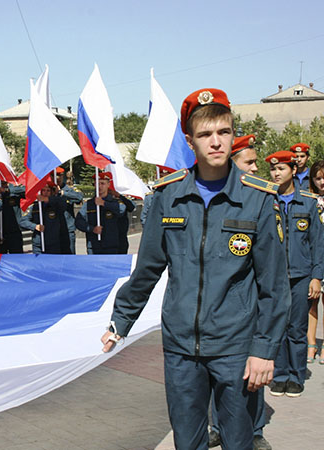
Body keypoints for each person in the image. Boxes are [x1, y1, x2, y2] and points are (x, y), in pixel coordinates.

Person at [101, 88, 291, 450]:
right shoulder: (167, 196)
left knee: (238, 441)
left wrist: (264, 350)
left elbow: (275, 285)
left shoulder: (258, 198)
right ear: (190, 141)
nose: (216, 142)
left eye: (223, 132)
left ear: (233, 135)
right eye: (205, 135)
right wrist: (120, 322)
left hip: (236, 347)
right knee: (187, 443)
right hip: (181, 349)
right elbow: (148, 269)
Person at [208, 133, 270, 450]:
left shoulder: (259, 199)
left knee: (251, 376)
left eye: (256, 162)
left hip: (251, 305)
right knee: (218, 377)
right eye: (250, 162)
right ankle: (219, 425)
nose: (256, 168)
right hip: (220, 312)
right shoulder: (214, 200)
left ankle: (255, 430)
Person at [266, 150, 323, 398]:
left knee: (297, 328)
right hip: (273, 276)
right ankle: (279, 375)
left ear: (294, 170)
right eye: (273, 169)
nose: (276, 174)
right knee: (277, 326)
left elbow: (317, 243)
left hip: (301, 275)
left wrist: (316, 276)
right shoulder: (266, 201)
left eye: (281, 169)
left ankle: (296, 375)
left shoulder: (308, 203)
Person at [75, 172, 128, 254]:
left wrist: (104, 203)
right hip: (94, 246)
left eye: (102, 183)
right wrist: (92, 229)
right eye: (97, 183)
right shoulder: (89, 204)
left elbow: (121, 210)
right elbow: (79, 221)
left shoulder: (115, 202)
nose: (99, 186)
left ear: (108, 184)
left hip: (112, 246)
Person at [20, 181, 67, 254]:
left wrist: (47, 200)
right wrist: (35, 226)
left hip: (53, 243)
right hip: (38, 243)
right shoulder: (35, 206)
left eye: (48, 190)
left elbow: (62, 203)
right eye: (43, 190)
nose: (45, 193)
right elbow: (23, 221)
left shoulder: (56, 205)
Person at [307, 160, 324, 364]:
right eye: (318, 178)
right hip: (313, 257)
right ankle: (311, 344)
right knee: (312, 303)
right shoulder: (309, 200)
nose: (321, 181)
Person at [56, 167, 83, 254]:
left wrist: (63, 193)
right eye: (54, 176)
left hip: (68, 228)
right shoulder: (48, 190)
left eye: (59, 176)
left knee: (69, 255)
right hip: (54, 230)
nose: (57, 178)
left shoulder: (69, 189)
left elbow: (79, 197)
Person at [0, 181, 25, 254]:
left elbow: (26, 190)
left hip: (14, 231)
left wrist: (8, 190)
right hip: (1, 232)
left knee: (17, 258)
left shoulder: (14, 187)